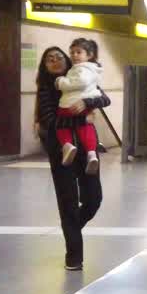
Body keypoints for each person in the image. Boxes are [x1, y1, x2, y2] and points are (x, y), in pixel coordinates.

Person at [35, 46, 110, 271]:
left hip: (87, 148)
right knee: (68, 201)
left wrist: (87, 103)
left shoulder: (80, 76)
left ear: (68, 60)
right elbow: (49, 120)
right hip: (62, 151)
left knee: (94, 198)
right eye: (50, 59)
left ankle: (72, 228)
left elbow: (103, 98)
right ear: (45, 66)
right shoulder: (46, 89)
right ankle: (74, 256)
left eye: (59, 57)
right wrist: (81, 119)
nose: (55, 61)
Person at [54, 38, 104, 175]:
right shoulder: (93, 70)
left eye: (78, 52)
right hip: (83, 107)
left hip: (69, 104)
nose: (74, 55)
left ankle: (67, 145)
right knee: (85, 127)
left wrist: (61, 82)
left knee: (61, 125)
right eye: (72, 53)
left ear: (89, 55)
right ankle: (92, 153)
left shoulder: (81, 69)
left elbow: (79, 82)